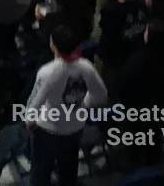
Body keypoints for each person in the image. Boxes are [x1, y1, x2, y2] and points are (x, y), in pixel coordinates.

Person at [25, 31, 106, 186]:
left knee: (41, 172)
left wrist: (29, 122)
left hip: (48, 130)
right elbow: (101, 95)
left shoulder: (47, 71)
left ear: (53, 46)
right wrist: (82, 104)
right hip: (75, 128)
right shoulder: (87, 67)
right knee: (68, 171)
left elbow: (34, 103)